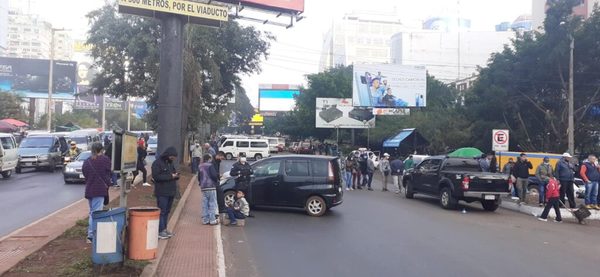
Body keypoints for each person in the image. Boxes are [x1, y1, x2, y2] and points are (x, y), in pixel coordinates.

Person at [82, 142, 111, 244]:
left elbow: (85, 173)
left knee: (92, 212)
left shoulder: (87, 161)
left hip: (89, 189)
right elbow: (108, 173)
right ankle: (91, 235)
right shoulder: (105, 160)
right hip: (100, 190)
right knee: (96, 213)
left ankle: (91, 234)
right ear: (101, 149)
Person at [152, 147, 179, 240]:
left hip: (171, 191)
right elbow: (156, 177)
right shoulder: (157, 163)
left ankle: (164, 228)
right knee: (162, 211)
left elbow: (174, 173)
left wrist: (176, 176)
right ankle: (160, 230)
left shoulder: (170, 164)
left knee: (167, 211)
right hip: (162, 191)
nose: (173, 159)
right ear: (168, 155)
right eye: (172, 157)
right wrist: (170, 176)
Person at [198, 154, 219, 225]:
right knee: (212, 203)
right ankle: (212, 220)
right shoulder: (210, 165)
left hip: (203, 187)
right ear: (209, 159)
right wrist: (217, 179)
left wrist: (200, 183)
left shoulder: (200, 166)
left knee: (205, 203)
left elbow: (199, 177)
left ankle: (205, 220)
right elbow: (214, 175)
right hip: (211, 186)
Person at [213, 151, 226, 216]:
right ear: (219, 155)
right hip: (212, 180)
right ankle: (221, 208)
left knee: (219, 192)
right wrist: (218, 175)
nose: (222, 160)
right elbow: (213, 171)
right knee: (219, 192)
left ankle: (220, 208)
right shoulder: (213, 161)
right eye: (222, 158)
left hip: (216, 179)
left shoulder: (217, 162)